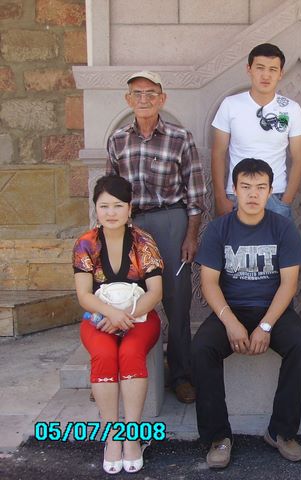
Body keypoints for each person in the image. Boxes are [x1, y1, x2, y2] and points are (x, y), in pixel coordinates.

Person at [192, 158, 301, 469]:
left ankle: (281, 432)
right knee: (202, 348)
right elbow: (209, 282)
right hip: (230, 309)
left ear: (271, 191)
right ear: (234, 190)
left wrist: (266, 325)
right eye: (245, 187)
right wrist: (231, 323)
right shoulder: (219, 229)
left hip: (272, 309)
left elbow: (289, 284)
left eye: (260, 187)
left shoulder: (282, 228)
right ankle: (218, 437)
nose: (253, 194)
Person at [107, 71, 206, 404]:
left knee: (177, 301)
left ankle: (181, 375)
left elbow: (196, 194)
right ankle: (123, 373)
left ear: (162, 99)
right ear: (128, 99)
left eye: (151, 93)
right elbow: (110, 192)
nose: (144, 99)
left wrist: (191, 236)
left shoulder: (180, 137)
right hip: (130, 225)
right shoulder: (118, 140)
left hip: (171, 221)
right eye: (137, 93)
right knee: (125, 296)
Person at [73, 175, 163, 474]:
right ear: (95, 208)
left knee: (130, 353)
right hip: (98, 318)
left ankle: (132, 435)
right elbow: (84, 295)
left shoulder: (143, 241)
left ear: (129, 208)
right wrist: (111, 314)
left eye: (118, 205)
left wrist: (126, 315)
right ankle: (112, 435)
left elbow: (155, 292)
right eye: (104, 206)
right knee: (104, 354)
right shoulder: (85, 243)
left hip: (140, 317)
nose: (111, 212)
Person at [211, 43, 301, 219]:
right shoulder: (230, 105)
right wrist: (220, 198)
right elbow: (218, 153)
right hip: (237, 194)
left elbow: (299, 157)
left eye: (273, 69)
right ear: (249, 69)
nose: (266, 75)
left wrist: (286, 201)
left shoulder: (291, 109)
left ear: (281, 73)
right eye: (260, 68)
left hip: (275, 195)